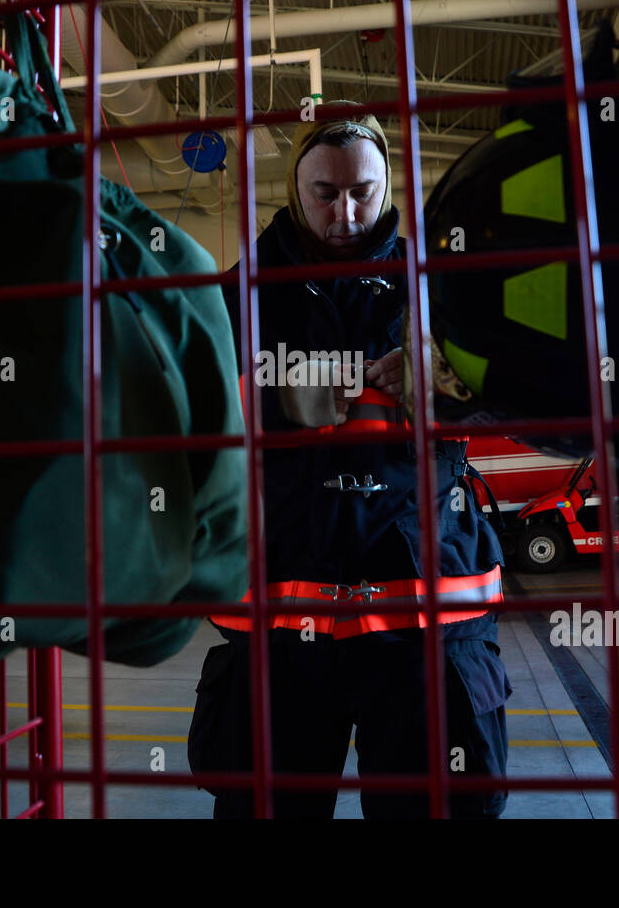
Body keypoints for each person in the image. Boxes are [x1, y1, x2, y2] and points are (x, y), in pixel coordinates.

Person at [186, 102, 511, 819]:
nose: (346, 212)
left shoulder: (445, 289)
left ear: (387, 185)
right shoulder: (230, 299)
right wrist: (274, 398)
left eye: (362, 191)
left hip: (426, 623)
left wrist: (449, 380)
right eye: (324, 193)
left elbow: (535, 402)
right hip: (276, 635)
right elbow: (174, 434)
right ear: (294, 191)